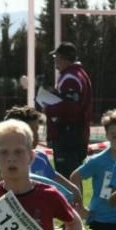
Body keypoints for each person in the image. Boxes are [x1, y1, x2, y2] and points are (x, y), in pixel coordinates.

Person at [41, 41, 94, 178]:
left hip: (68, 135)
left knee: (67, 176)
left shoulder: (71, 77)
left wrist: (48, 107)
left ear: (64, 58)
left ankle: (72, 200)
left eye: (56, 57)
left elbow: (70, 108)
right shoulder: (78, 74)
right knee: (71, 175)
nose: (55, 61)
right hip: (74, 134)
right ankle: (74, 200)